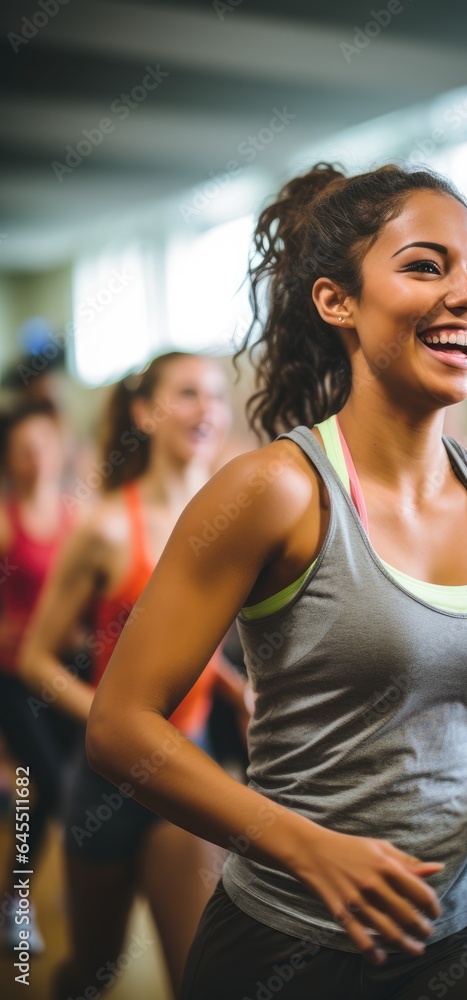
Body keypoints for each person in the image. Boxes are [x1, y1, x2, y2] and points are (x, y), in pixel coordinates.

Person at [86, 164, 467, 1000]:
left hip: (450, 938)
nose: (466, 293)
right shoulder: (275, 491)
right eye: (423, 265)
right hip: (286, 951)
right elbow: (117, 727)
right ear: (337, 302)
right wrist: (305, 846)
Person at [18, 352, 247, 1000]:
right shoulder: (105, 526)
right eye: (186, 395)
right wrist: (114, 720)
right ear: (145, 414)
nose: (206, 409)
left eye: (214, 395)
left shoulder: (231, 514)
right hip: (110, 779)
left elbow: (190, 643)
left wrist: (233, 686)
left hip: (189, 760)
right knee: (92, 971)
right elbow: (36, 658)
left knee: (202, 975)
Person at [0, 398, 78, 954]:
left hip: (66, 672)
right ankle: (16, 900)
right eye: (24, 451)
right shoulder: (5, 519)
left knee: (77, 787)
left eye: (43, 446)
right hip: (14, 679)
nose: (36, 459)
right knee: (39, 788)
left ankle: (81, 883)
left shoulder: (76, 516)